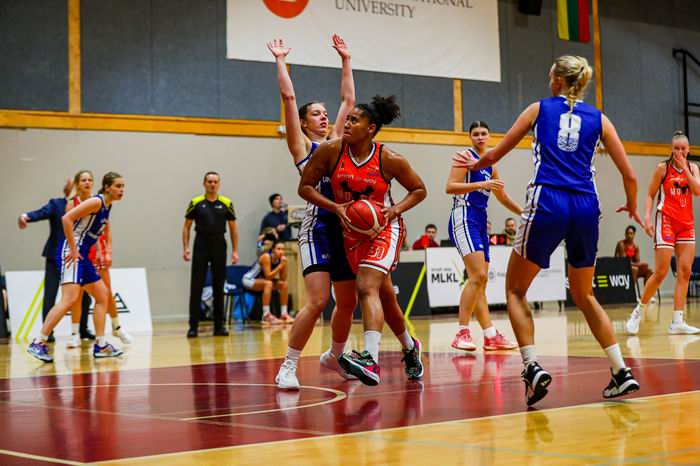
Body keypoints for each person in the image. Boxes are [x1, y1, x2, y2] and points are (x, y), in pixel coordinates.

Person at [454, 55, 641, 405]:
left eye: (550, 73)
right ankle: (621, 371)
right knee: (585, 295)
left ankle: (532, 366)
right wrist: (631, 206)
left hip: (548, 200)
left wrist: (475, 163)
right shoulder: (600, 118)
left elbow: (494, 155)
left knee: (514, 290)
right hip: (586, 205)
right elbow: (630, 174)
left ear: (557, 80)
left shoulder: (538, 109)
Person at [268, 37, 423, 389]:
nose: (324, 117)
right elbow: (289, 98)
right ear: (303, 123)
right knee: (318, 299)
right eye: (316, 113)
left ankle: (336, 356)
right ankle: (288, 366)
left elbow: (348, 100)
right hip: (319, 226)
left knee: (351, 300)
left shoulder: (341, 141)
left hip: (351, 229)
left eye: (326, 113)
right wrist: (280, 60)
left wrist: (347, 59)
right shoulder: (304, 147)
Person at [299, 95, 427, 386]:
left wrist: (395, 209)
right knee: (386, 298)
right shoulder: (331, 151)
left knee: (366, 286)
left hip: (384, 229)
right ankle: (410, 347)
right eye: (347, 119)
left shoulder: (389, 158)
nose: (346, 123)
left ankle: (370, 358)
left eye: (354, 120)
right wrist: (335, 207)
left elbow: (419, 190)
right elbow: (304, 187)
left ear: (370, 129)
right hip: (351, 234)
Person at [27, 172, 126, 362]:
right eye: (118, 186)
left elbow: (90, 230)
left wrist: (98, 250)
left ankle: (101, 344)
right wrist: (73, 249)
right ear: (107, 187)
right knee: (70, 299)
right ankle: (39, 342)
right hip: (71, 251)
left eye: (123, 186)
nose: (122, 190)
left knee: (102, 295)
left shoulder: (107, 206)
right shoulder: (96, 201)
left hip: (83, 253)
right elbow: (66, 219)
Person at [446, 120, 522, 352]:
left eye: (483, 133)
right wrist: (483, 182)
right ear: (470, 136)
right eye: (476, 133)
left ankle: (490, 336)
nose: (480, 137)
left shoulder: (491, 164)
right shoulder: (464, 157)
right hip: (464, 215)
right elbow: (450, 186)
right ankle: (461, 333)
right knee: (477, 275)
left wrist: (524, 213)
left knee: (481, 280)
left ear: (489, 136)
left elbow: (502, 196)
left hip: (480, 219)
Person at [625, 131, 700, 335]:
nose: (679, 151)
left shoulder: (693, 168)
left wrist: (685, 168)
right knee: (661, 271)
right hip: (666, 221)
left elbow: (697, 190)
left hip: (686, 224)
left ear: (688, 150)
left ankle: (677, 321)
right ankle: (637, 312)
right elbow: (650, 194)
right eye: (676, 148)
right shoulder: (662, 168)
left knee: (684, 271)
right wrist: (647, 217)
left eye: (683, 148)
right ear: (671, 149)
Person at [65, 171, 132, 348]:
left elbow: (106, 230)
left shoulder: (103, 202)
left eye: (90, 180)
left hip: (95, 251)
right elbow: (69, 225)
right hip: (79, 250)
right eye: (83, 180)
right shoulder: (74, 203)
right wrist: (72, 249)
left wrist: (105, 251)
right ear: (77, 184)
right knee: (76, 296)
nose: (87, 183)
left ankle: (116, 328)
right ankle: (74, 334)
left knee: (106, 292)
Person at [18, 178, 75, 342]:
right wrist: (26, 216)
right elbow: (41, 212)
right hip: (54, 256)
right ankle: (47, 332)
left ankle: (82, 329)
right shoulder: (56, 204)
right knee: (50, 294)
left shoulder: (85, 204)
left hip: (75, 257)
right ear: (66, 189)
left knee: (82, 296)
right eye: (72, 186)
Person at [183, 172, 239, 338]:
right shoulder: (195, 202)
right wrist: (186, 248)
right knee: (196, 285)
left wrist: (235, 251)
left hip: (219, 244)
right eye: (209, 181)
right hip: (201, 244)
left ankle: (219, 326)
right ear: (204, 183)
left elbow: (233, 229)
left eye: (215, 182)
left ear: (219, 184)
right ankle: (193, 326)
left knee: (218, 285)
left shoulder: (226, 203)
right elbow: (186, 226)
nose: (212, 184)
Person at [242, 240, 292, 324]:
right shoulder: (266, 257)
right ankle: (266, 315)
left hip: (262, 281)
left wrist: (284, 266)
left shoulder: (281, 260)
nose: (281, 251)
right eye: (278, 249)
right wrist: (280, 266)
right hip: (248, 280)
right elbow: (268, 276)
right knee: (268, 283)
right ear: (273, 250)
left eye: (283, 249)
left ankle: (284, 314)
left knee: (284, 285)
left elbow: (282, 279)